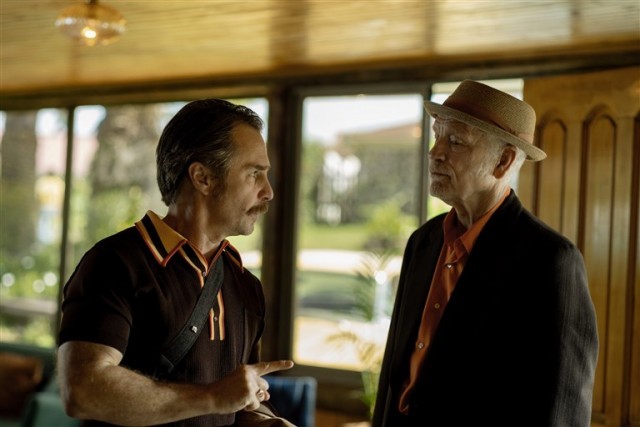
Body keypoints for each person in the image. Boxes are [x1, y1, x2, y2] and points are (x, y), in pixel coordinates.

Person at [372, 80, 598, 426]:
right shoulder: (423, 242)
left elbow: (561, 409)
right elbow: (394, 375)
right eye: (437, 136)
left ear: (503, 161)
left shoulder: (549, 260)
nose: (435, 153)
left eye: (455, 141)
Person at [57, 99, 296, 427]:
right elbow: (83, 390)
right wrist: (212, 396)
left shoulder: (246, 286)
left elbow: (237, 404)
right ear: (203, 177)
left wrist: (270, 423)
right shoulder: (115, 264)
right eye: (254, 174)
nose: (268, 192)